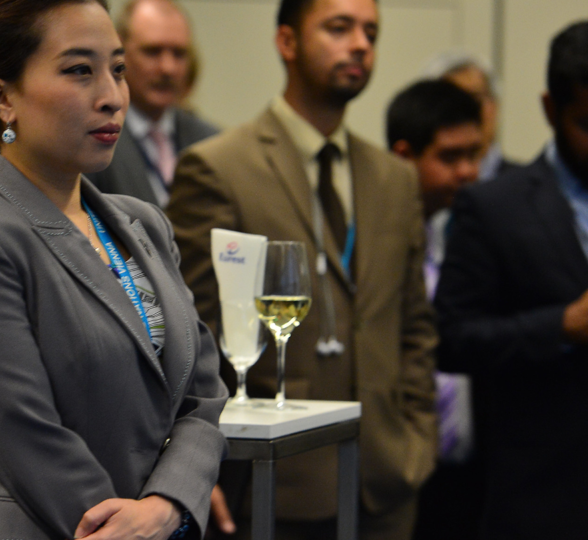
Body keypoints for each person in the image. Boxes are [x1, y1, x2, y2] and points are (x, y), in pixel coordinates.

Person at [0, 0, 229, 537]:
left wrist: (165, 506)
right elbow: (24, 434)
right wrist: (125, 528)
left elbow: (204, 397)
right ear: (2, 98)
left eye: (117, 68)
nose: (111, 96)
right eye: (79, 70)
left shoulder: (143, 225)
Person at [166, 0, 438, 538]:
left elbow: (414, 325)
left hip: (386, 481)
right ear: (287, 42)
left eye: (370, 32)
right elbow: (192, 336)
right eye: (339, 28)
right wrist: (194, 466)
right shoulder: (220, 167)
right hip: (276, 480)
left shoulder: (394, 178)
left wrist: (416, 441)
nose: (360, 44)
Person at [434, 20, 588, 539]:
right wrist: (560, 327)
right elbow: (451, 340)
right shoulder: (494, 205)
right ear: (550, 109)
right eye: (587, 124)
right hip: (542, 496)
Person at [385, 79, 485, 540]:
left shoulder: (466, 233)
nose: (468, 172)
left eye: (474, 155)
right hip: (397, 464)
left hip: (467, 468)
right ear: (404, 156)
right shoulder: (372, 241)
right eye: (450, 157)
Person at [85, 0, 217, 208]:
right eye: (152, 51)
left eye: (179, 54)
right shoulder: (91, 140)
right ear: (119, 54)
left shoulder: (212, 142)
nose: (168, 68)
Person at [421, 51, 520, 182]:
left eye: (475, 100)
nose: (465, 112)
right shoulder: (414, 186)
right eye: (452, 101)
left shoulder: (529, 188)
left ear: (495, 105)